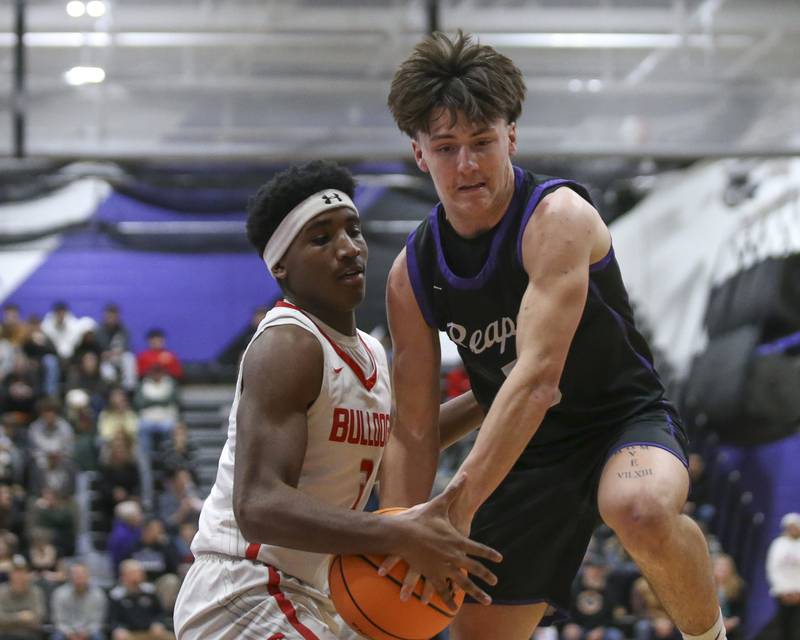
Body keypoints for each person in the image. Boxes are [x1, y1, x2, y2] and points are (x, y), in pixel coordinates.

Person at [381, 30, 725, 639]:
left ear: (511, 136)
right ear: (418, 153)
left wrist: (456, 504)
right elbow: (413, 426)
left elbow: (538, 382)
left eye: (482, 142)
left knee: (638, 510)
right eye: (446, 147)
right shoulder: (410, 276)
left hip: (619, 419)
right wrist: (405, 526)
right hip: (526, 453)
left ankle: (711, 636)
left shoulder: (555, 218)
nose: (466, 164)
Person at [173, 160, 501, 639]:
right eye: (321, 239)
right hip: (243, 590)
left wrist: (495, 394)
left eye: (353, 229)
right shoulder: (288, 345)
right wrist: (399, 532)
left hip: (307, 592)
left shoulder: (369, 350)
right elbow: (258, 505)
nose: (349, 248)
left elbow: (400, 441)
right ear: (281, 265)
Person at [50, 562, 108, 640]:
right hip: (66, 631)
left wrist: (86, 633)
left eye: (82, 575)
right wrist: (69, 633)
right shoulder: (59, 594)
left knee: (98, 637)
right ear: (69, 577)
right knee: (56, 637)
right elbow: (58, 621)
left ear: (88, 576)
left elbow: (98, 621)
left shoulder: (98, 594)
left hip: (89, 631)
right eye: (75, 575)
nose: (79, 578)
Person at [766, 512, 800, 640]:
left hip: (799, 594)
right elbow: (772, 569)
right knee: (783, 627)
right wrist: (782, 591)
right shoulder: (778, 544)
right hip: (782, 594)